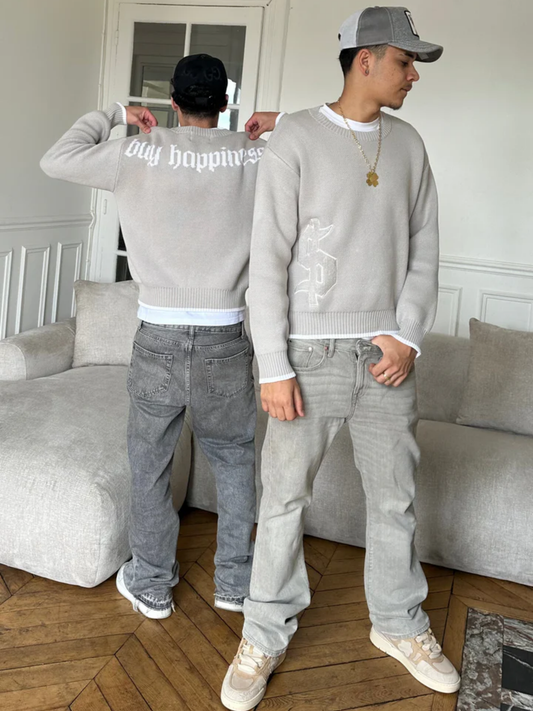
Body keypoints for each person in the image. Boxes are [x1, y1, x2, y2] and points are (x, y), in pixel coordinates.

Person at [221, 7, 461, 710]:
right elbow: (266, 258)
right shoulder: (295, 138)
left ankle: (398, 623)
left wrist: (408, 335)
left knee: (394, 501)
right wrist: (273, 365)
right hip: (307, 355)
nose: (413, 75)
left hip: (386, 358)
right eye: (404, 61)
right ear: (365, 60)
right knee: (283, 501)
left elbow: (425, 250)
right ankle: (263, 633)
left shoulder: (409, 144)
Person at [41, 54, 266, 619]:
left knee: (150, 462)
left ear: (172, 102)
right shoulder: (257, 154)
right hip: (225, 337)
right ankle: (235, 585)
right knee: (235, 461)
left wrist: (116, 113)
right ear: (225, 103)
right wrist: (281, 123)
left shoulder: (136, 151)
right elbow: (326, 157)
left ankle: (151, 583)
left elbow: (56, 158)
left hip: (158, 337)